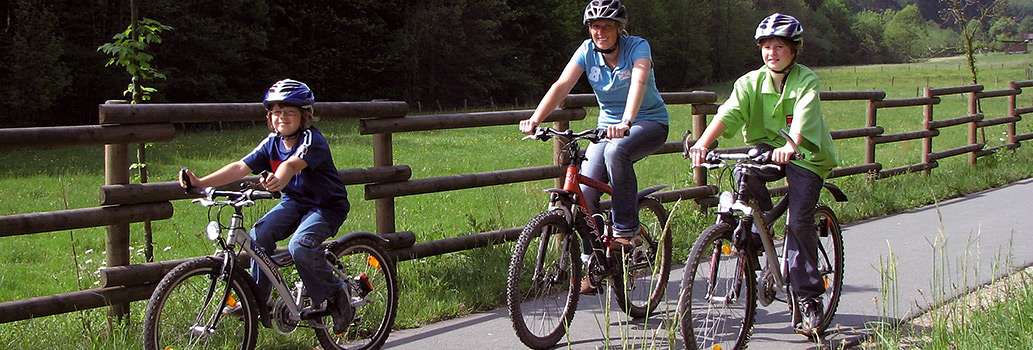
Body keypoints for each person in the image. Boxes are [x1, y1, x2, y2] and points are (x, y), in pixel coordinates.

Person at [685, 13, 838, 335]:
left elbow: (805, 115)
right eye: (766, 46)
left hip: (805, 154)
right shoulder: (750, 82)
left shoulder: (806, 79)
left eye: (779, 46)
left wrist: (792, 144)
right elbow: (730, 112)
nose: (772, 52)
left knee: (798, 223)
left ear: (794, 49)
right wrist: (702, 143)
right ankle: (757, 244)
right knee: (745, 185)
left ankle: (810, 300)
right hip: (764, 149)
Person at [518, 0, 670, 295]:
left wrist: (626, 120)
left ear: (619, 29)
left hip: (647, 122)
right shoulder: (587, 51)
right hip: (607, 128)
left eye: (606, 26)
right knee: (585, 192)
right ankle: (594, 262)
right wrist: (536, 118)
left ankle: (627, 229)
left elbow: (639, 81)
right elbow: (562, 84)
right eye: (595, 26)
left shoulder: (638, 47)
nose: (600, 32)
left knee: (617, 151)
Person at [178, 79, 353, 334]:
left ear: (304, 115)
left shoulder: (311, 140)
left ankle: (336, 295)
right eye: (276, 111)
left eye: (289, 111)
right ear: (269, 116)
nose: (282, 117)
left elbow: (290, 166)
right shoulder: (271, 142)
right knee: (259, 235)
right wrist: (201, 182)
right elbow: (240, 167)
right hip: (294, 202)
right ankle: (258, 299)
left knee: (300, 246)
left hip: (326, 206)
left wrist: (278, 181)